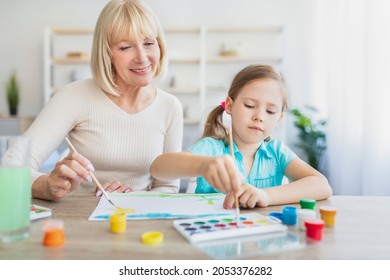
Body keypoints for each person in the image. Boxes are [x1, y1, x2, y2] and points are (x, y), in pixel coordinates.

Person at [5, 0, 183, 201]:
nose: (142, 58)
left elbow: (167, 187)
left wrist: (134, 199)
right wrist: (47, 186)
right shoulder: (73, 96)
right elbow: (10, 166)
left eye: (149, 43)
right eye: (125, 47)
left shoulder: (170, 107)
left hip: (138, 222)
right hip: (78, 220)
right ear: (106, 53)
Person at [150, 64, 332, 209]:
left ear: (279, 118)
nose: (259, 116)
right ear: (230, 105)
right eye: (250, 105)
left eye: (270, 111)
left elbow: (322, 185)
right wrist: (203, 165)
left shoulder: (277, 153)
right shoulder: (211, 148)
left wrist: (267, 196)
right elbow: (158, 168)